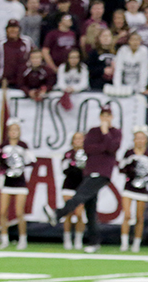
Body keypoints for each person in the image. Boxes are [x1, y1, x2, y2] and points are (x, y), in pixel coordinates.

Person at [44, 103, 123, 253]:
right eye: (103, 116)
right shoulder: (93, 131)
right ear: (100, 117)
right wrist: (104, 146)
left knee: (80, 195)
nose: (105, 118)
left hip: (103, 173)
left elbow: (112, 148)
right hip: (90, 171)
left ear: (111, 117)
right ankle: (94, 241)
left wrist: (105, 134)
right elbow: (88, 149)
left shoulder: (116, 132)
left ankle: (57, 214)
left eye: (108, 116)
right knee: (90, 207)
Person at [0, 119, 35, 250]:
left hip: (20, 182)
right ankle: (4, 239)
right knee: (3, 211)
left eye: (16, 130)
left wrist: (20, 166)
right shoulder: (3, 145)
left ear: (19, 132)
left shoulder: (23, 145)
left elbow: (32, 161)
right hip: (7, 182)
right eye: (11, 130)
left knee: (19, 212)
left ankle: (23, 239)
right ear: (8, 132)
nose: (13, 132)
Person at [119, 125, 148, 253]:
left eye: (142, 138)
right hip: (129, 187)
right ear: (134, 139)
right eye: (137, 138)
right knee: (127, 215)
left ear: (146, 140)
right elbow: (121, 168)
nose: (139, 141)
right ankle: (124, 243)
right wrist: (130, 162)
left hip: (142, 188)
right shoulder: (129, 153)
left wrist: (145, 166)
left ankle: (136, 244)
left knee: (140, 217)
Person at [60, 132, 87, 250]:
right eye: (76, 139)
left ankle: (78, 239)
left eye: (81, 138)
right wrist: (73, 164)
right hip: (69, 186)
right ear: (72, 141)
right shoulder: (69, 154)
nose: (78, 141)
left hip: (81, 187)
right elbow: (64, 169)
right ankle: (67, 239)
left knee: (80, 214)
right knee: (69, 213)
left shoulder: (88, 154)